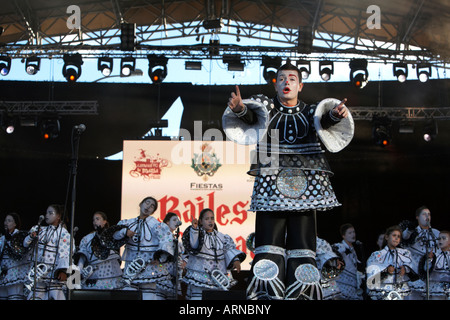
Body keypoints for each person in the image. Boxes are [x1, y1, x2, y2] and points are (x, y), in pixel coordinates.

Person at [223, 62, 354, 300]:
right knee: (268, 245)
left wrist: (335, 115)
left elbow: (323, 121)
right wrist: (241, 109)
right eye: (282, 78)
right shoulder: (267, 106)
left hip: (307, 185)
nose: (286, 83)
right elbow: (252, 115)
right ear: (276, 83)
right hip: (271, 180)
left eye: (292, 79)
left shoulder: (311, 111)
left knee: (303, 246)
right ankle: (267, 296)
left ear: (300, 85)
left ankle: (301, 293)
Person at [113, 196, 174, 300]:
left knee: (148, 295)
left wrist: (160, 258)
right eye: (147, 203)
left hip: (149, 265)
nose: (148, 206)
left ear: (153, 211)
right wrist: (125, 232)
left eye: (152, 206)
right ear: (140, 204)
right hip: (131, 263)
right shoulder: (128, 223)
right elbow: (114, 236)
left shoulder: (156, 225)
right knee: (129, 292)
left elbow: (167, 239)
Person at [182, 208, 246, 300]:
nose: (210, 221)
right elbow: (194, 245)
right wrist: (195, 229)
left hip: (219, 276)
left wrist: (236, 260)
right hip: (201, 275)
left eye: (212, 218)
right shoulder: (197, 234)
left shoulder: (222, 237)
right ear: (201, 221)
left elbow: (228, 249)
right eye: (207, 219)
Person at [23, 204, 72, 300]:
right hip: (39, 271)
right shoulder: (40, 230)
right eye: (46, 213)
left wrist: (62, 271)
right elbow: (25, 244)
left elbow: (65, 253)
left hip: (53, 272)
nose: (47, 215)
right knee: (35, 296)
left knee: (55, 295)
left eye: (50, 213)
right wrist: (31, 237)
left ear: (58, 216)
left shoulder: (63, 233)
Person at [366, 225, 418, 300]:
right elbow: (371, 279)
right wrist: (386, 271)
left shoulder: (405, 254)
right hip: (383, 292)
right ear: (387, 237)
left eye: (398, 236)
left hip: (399, 292)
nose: (396, 238)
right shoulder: (377, 255)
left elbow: (414, 270)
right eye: (394, 235)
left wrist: (405, 269)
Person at [74, 211, 123, 290]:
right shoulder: (87, 239)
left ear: (104, 221)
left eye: (97, 219)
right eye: (93, 220)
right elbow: (82, 259)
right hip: (94, 276)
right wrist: (77, 276)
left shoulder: (113, 236)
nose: (95, 222)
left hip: (111, 275)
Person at [400, 205, 440, 299]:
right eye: (424, 214)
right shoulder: (411, 231)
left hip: (432, 272)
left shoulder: (436, 233)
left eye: (429, 214)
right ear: (417, 217)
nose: (427, 216)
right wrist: (409, 230)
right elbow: (405, 238)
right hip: (415, 271)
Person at [156, 212, 187, 299]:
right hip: (161, 274)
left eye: (177, 220)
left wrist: (183, 263)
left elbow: (185, 254)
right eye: (174, 220)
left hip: (173, 276)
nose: (176, 222)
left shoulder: (176, 240)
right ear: (167, 222)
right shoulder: (161, 235)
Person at [0, 213, 30, 300]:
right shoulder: (2, 238)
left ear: (15, 224)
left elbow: (23, 251)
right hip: (3, 273)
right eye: (5, 220)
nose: (6, 223)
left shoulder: (20, 236)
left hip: (15, 271)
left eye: (9, 221)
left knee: (15, 296)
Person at [332, 223, 364, 300]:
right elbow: (333, 252)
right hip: (343, 285)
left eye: (353, 232)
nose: (353, 234)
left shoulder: (352, 249)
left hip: (353, 285)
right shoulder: (340, 247)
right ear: (343, 236)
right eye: (350, 233)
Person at [418, 230, 450, 300]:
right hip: (436, 289)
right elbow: (426, 271)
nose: (440, 240)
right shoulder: (435, 255)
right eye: (439, 239)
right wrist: (429, 260)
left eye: (444, 238)